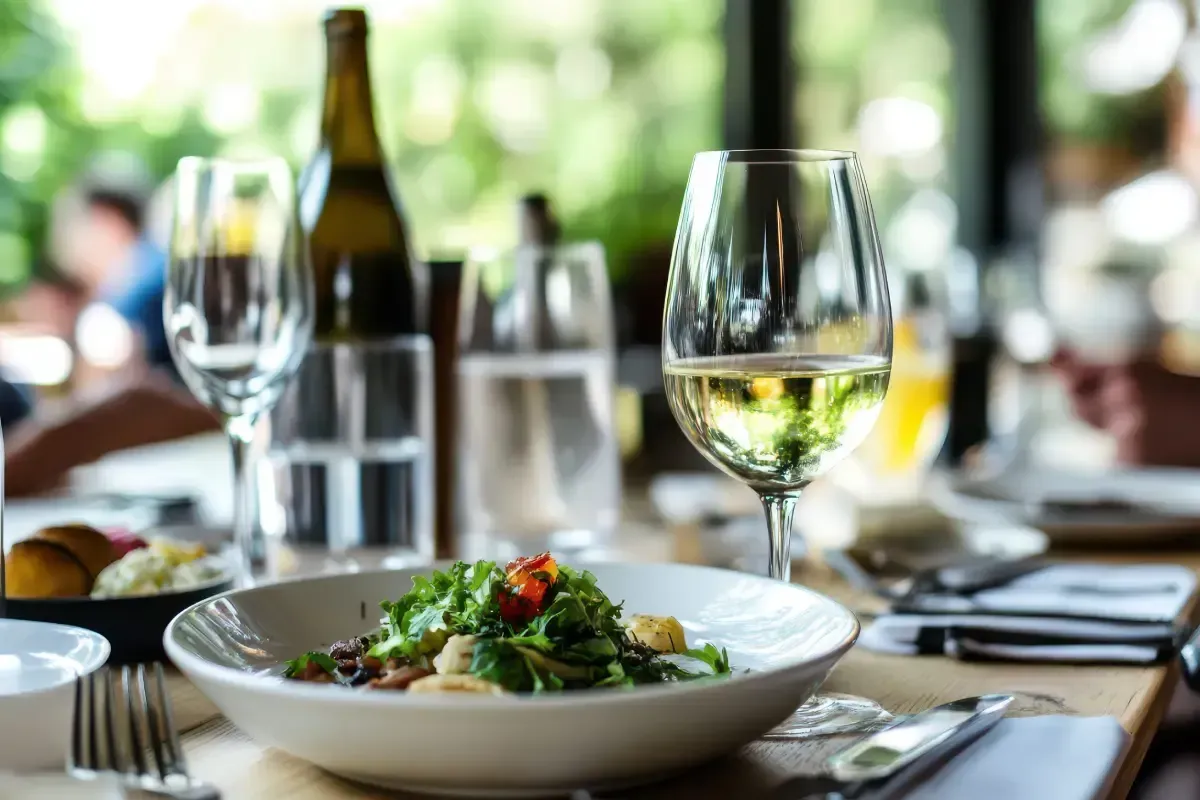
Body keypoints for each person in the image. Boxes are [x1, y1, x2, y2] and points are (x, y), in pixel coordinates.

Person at [3, 174, 219, 497]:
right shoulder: (157, 271)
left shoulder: (136, 284)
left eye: (72, 229)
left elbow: (127, 390)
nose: (63, 244)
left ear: (107, 222)